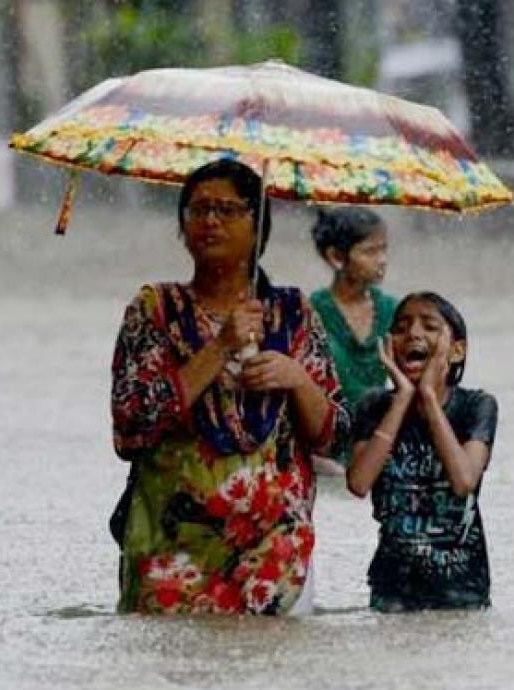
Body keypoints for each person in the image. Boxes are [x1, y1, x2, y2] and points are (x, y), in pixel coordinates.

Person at [110, 159, 348, 615]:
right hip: (171, 544)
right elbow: (131, 426)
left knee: (269, 672)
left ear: (257, 225)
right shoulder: (155, 309)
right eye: (197, 210)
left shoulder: (293, 312)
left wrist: (296, 380)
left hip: (275, 548)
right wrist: (219, 346)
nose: (210, 221)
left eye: (226, 209)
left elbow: (335, 436)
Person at [346, 293, 498, 611]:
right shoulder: (373, 406)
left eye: (429, 326)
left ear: (457, 351)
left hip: (461, 590)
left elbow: (463, 480)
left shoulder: (476, 406)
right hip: (392, 590)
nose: (413, 334)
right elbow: (359, 482)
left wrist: (428, 397)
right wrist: (402, 398)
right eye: (401, 328)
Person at [309, 207, 398, 424]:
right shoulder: (312, 312)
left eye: (384, 249)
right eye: (370, 252)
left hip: (379, 432)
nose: (382, 260)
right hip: (330, 431)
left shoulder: (391, 310)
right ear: (336, 257)